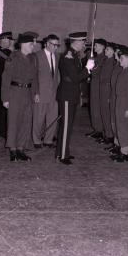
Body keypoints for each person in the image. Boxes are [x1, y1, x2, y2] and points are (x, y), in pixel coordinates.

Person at [55, 32, 95, 165]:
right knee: (66, 126)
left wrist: (86, 68)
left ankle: (63, 151)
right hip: (67, 95)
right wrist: (87, 69)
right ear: (75, 42)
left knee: (68, 126)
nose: (84, 44)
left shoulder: (74, 56)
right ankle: (62, 155)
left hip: (71, 95)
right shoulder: (68, 57)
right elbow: (76, 78)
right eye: (82, 42)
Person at [1, 32, 40, 162]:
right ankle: (12, 150)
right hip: (14, 92)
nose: (33, 47)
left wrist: (36, 93)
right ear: (23, 44)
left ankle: (20, 148)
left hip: (28, 93)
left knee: (26, 121)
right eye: (31, 44)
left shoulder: (33, 58)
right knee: (13, 122)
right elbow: (5, 78)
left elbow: (35, 78)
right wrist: (5, 98)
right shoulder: (13, 57)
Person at [32, 34, 60, 149]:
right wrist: (36, 92)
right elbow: (33, 76)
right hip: (41, 92)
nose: (56, 47)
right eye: (53, 44)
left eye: (57, 45)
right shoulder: (37, 56)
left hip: (54, 93)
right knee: (38, 117)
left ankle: (48, 140)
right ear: (47, 44)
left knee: (52, 117)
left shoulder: (57, 56)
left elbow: (57, 74)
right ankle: (36, 140)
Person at [111, 49, 128, 162]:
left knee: (123, 128)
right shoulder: (123, 71)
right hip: (119, 101)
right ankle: (122, 149)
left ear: (127, 59)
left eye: (121, 58)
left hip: (125, 102)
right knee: (119, 127)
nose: (119, 60)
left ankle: (125, 153)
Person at [85, 38, 106, 141]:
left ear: (103, 47)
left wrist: (91, 61)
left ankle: (100, 129)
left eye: (97, 45)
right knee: (93, 107)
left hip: (99, 86)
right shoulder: (96, 58)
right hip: (93, 85)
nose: (95, 47)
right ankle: (96, 128)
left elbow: (95, 72)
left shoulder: (103, 59)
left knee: (97, 108)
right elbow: (88, 70)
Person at [105, 46, 123, 156]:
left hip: (117, 97)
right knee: (112, 121)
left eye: (117, 53)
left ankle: (120, 145)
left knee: (117, 122)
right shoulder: (117, 65)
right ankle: (116, 144)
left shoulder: (121, 67)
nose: (116, 54)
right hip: (112, 96)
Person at [98, 42, 116, 145]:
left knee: (107, 114)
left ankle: (110, 136)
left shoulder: (113, 62)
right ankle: (106, 134)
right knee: (103, 113)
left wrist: (110, 94)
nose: (106, 51)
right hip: (102, 89)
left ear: (113, 52)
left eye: (108, 50)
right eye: (106, 49)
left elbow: (111, 79)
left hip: (107, 89)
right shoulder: (106, 61)